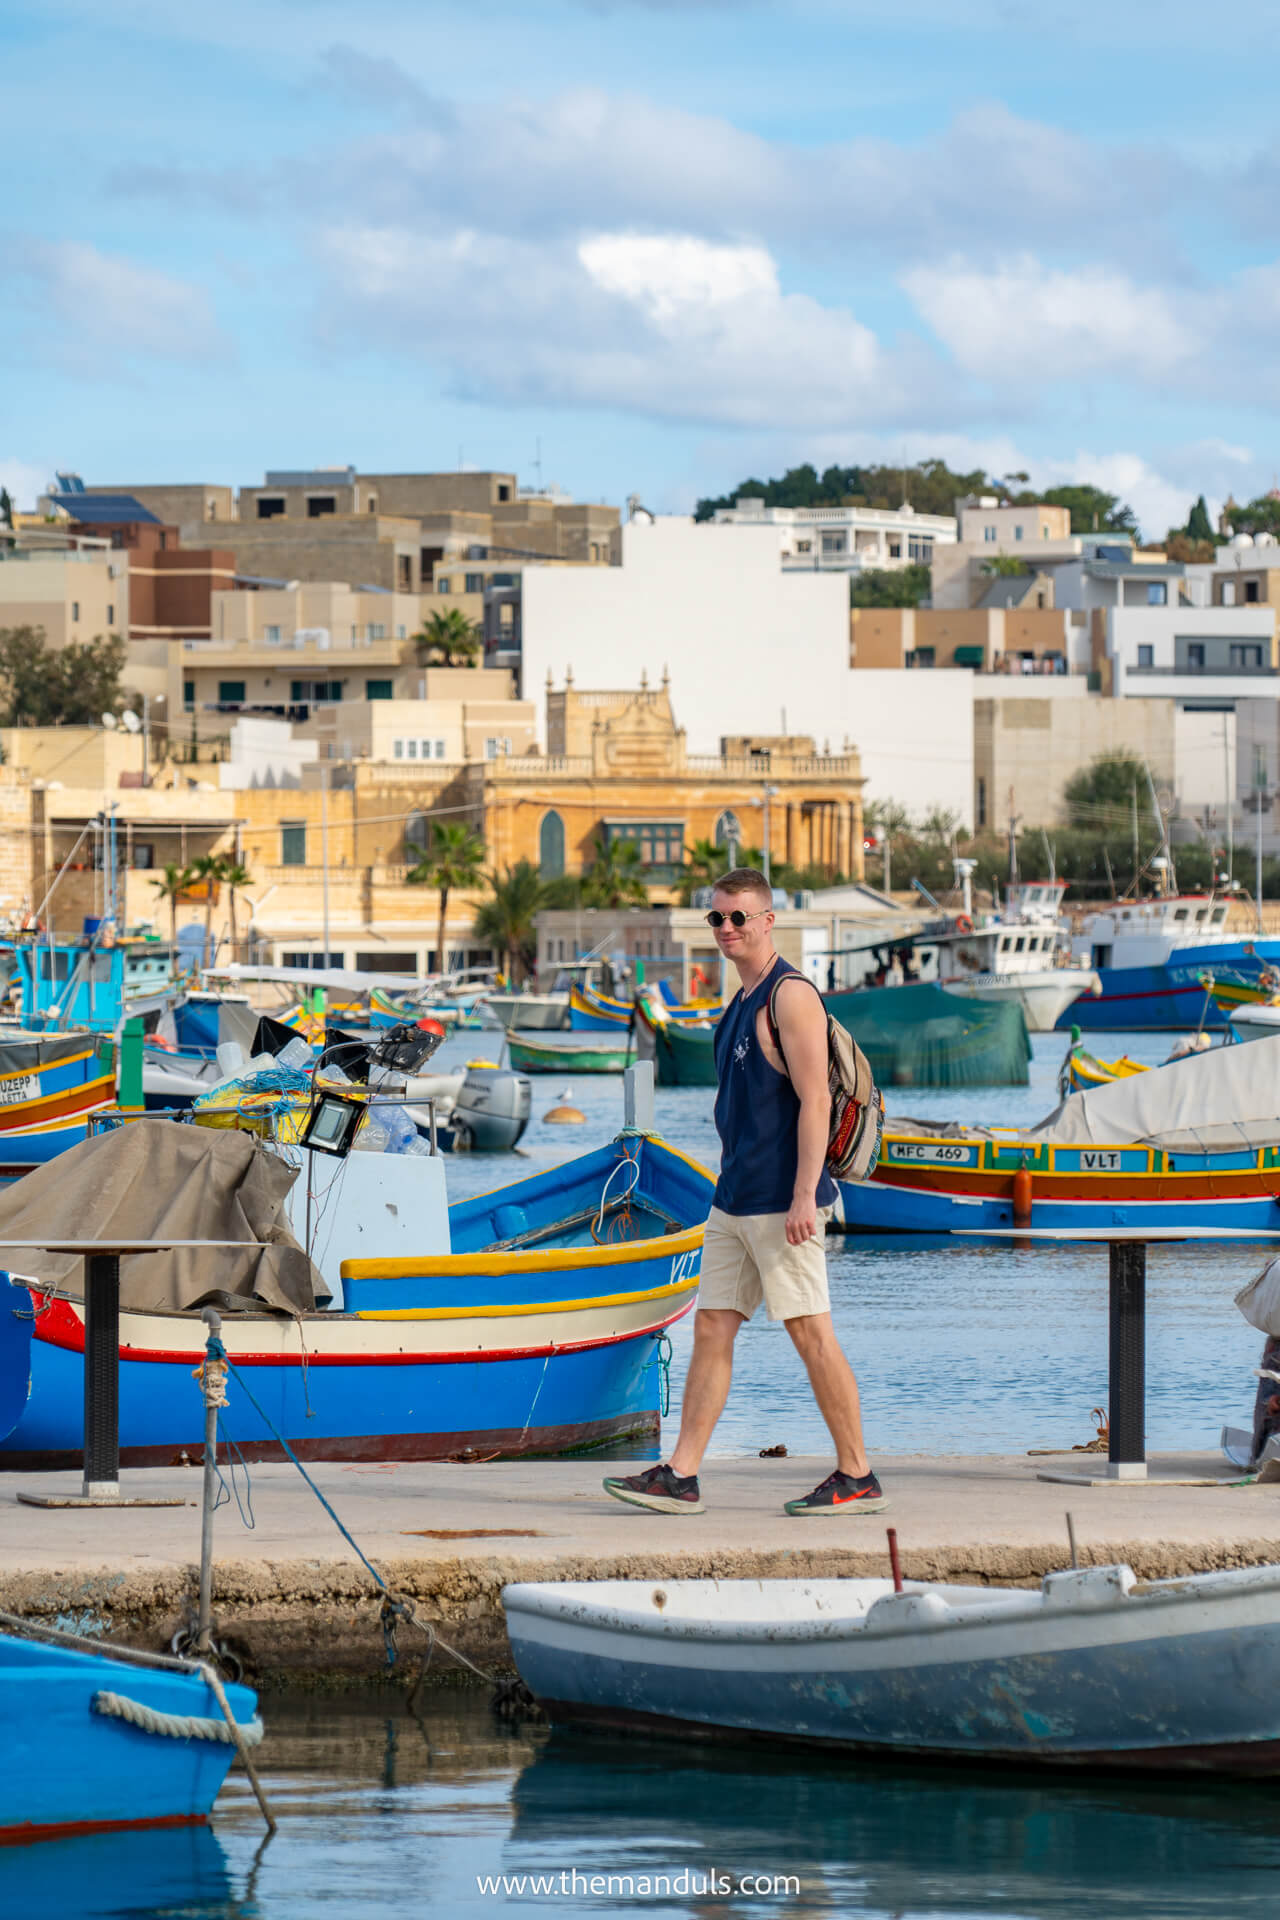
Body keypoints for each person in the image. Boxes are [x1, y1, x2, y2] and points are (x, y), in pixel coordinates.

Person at [604, 867, 886, 1519]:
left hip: (782, 1202)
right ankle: (681, 1475)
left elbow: (815, 1101)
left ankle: (858, 1474)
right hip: (733, 1200)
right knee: (712, 1327)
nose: (727, 928)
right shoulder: (739, 1002)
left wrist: (804, 1196)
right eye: (717, 917)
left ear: (767, 921)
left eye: (739, 917)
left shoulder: (790, 997)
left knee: (811, 1333)